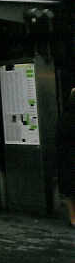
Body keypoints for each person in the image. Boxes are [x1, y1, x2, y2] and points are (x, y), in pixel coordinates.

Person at [58, 88, 75, 228]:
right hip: (69, 158)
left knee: (69, 191)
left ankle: (73, 219)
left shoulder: (64, 118)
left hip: (67, 159)